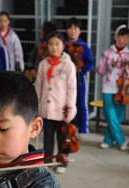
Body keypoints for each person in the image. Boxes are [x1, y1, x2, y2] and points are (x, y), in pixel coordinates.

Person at [35, 31, 77, 174]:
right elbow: (38, 86)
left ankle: (62, 161)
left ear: (63, 46)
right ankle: (47, 160)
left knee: (62, 137)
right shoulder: (43, 64)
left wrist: (70, 108)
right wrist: (37, 105)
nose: (54, 47)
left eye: (57, 44)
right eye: (51, 44)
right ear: (47, 46)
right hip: (46, 108)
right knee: (47, 137)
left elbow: (72, 88)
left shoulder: (68, 65)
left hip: (62, 109)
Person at [96, 25, 129, 150]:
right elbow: (99, 71)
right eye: (122, 37)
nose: (124, 40)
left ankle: (108, 139)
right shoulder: (107, 52)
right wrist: (109, 65)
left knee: (118, 116)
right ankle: (121, 140)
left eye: (126, 37)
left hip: (122, 89)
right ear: (115, 37)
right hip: (108, 87)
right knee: (110, 114)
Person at [64, 17, 95, 135]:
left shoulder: (84, 46)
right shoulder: (63, 45)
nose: (73, 31)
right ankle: (66, 127)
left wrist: (81, 69)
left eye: (75, 28)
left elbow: (90, 63)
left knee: (81, 103)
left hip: (79, 79)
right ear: (67, 31)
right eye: (70, 28)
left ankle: (82, 129)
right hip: (64, 80)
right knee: (65, 103)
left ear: (80, 31)